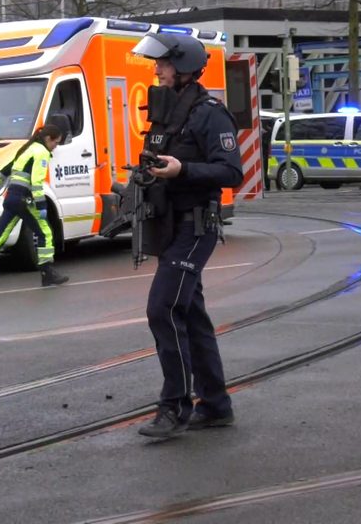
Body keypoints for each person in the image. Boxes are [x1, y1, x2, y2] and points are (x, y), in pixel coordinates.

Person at [127, 32, 243, 438]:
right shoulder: (165, 110)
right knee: (190, 315)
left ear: (184, 68)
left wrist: (183, 170)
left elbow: (232, 172)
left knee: (163, 308)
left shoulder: (211, 113)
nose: (155, 70)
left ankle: (174, 406)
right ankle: (215, 405)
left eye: (162, 64)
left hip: (196, 225)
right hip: (170, 223)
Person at [0, 123, 69, 290]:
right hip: (24, 200)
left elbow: (4, 171)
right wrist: (42, 205)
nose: (55, 147)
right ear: (48, 139)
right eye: (55, 143)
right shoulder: (41, 152)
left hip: (12, 199)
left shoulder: (26, 149)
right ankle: (47, 272)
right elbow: (36, 182)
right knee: (45, 232)